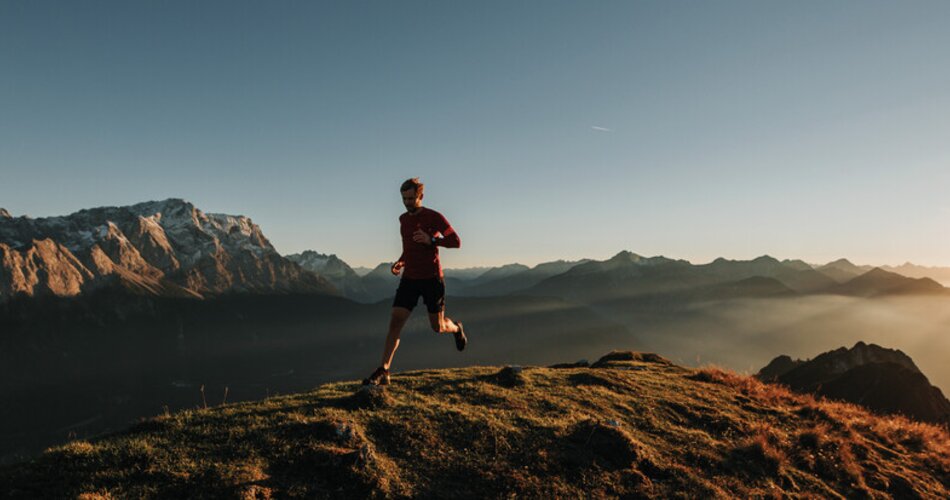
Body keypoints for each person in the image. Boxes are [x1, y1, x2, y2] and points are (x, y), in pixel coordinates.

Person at [363, 178, 467, 386]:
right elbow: (409, 247)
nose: (407, 203)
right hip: (409, 278)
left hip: (432, 279)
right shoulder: (403, 220)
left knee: (437, 327)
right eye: (404, 199)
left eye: (411, 198)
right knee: (395, 323)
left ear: (421, 196)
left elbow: (456, 241)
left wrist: (433, 240)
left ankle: (456, 328)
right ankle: (384, 369)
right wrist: (401, 261)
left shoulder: (434, 217)